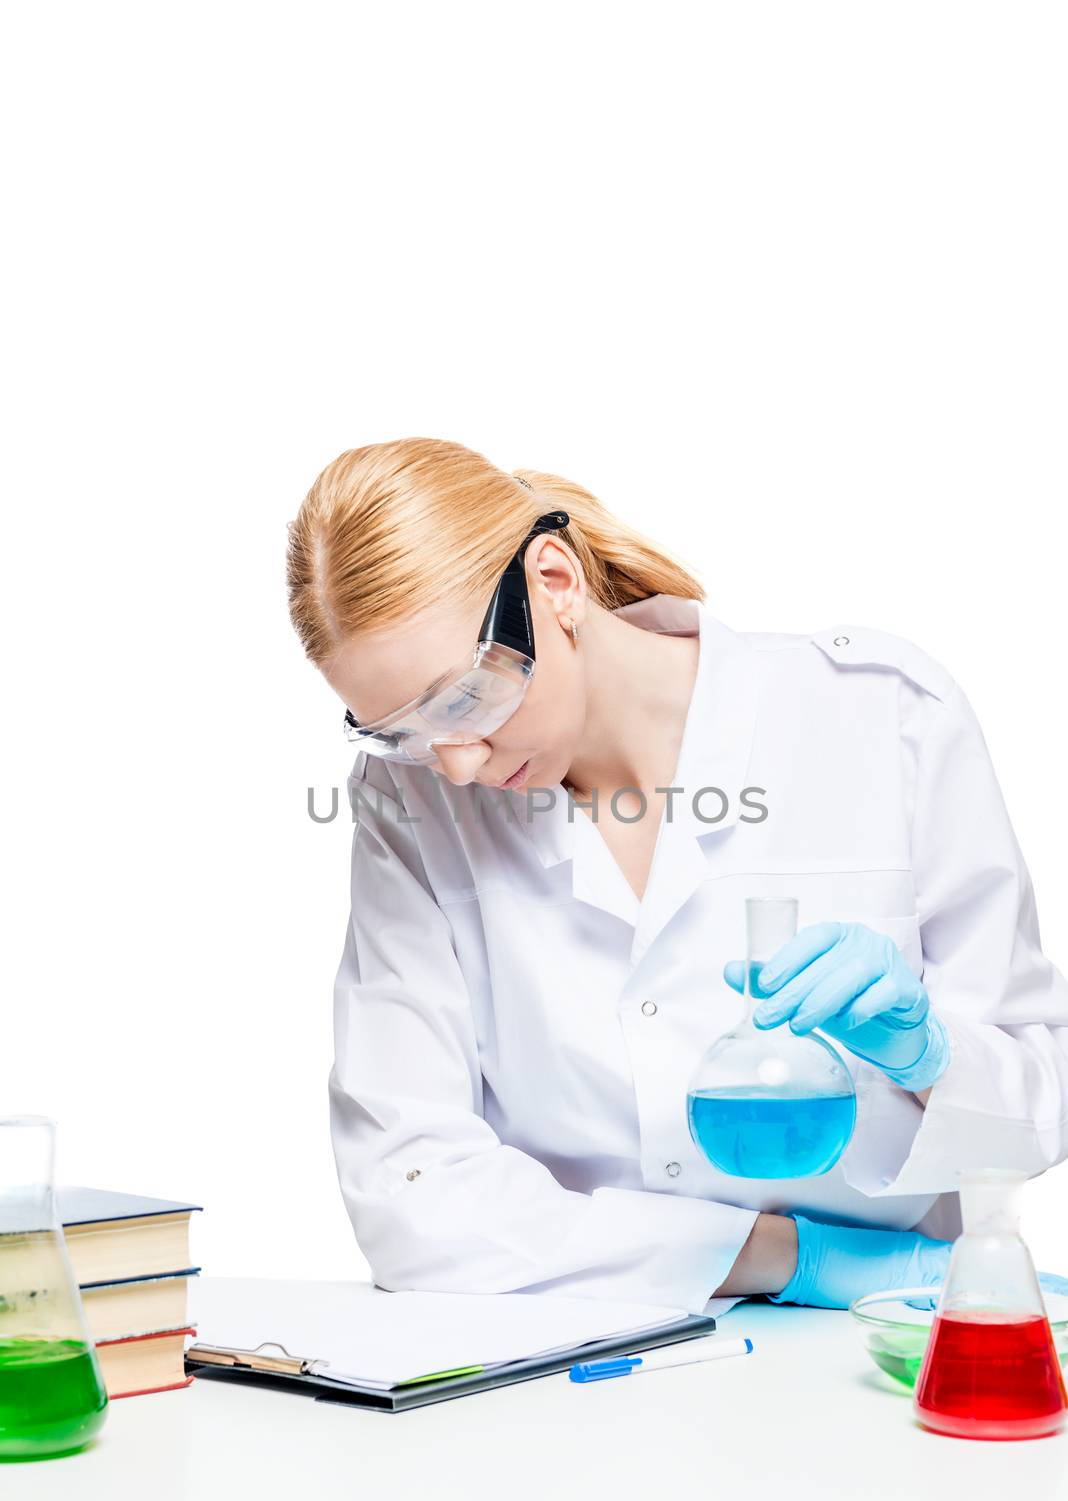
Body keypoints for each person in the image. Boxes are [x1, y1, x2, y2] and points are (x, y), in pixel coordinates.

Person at [286, 437, 1068, 1313]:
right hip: (583, 1365)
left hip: (889, 1336)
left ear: (553, 582)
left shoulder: (881, 713)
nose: (457, 765)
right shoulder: (410, 802)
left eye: (465, 698)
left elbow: (1040, 1103)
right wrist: (793, 1260)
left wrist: (930, 1058)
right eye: (400, 732)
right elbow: (410, 1192)